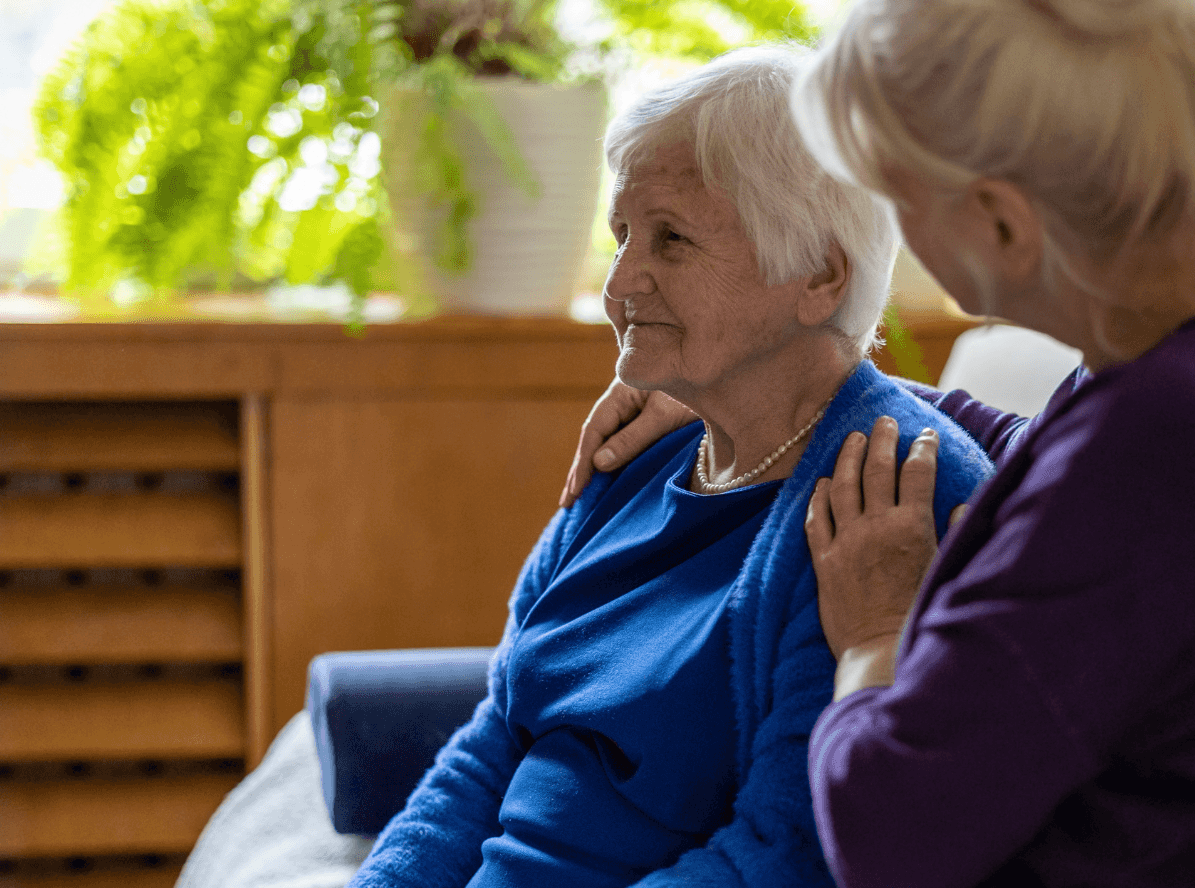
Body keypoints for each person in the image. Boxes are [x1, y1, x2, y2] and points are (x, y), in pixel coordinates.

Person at [562, 0, 1195, 888]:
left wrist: (876, 632)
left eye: (896, 196)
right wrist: (778, 383)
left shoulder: (1161, 464)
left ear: (1001, 223)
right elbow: (1062, 479)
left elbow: (886, 836)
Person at [349, 48, 992, 888]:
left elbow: (786, 853)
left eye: (672, 241)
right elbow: (492, 744)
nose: (619, 285)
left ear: (820, 275)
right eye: (620, 236)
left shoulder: (890, 499)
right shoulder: (633, 454)